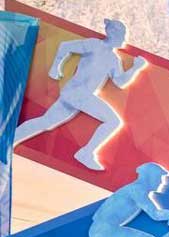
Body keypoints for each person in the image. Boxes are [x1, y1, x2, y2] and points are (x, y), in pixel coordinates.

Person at [14, 18, 147, 170]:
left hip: (79, 96)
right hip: (78, 93)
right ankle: (86, 153)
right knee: (113, 121)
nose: (125, 38)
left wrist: (135, 68)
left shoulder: (113, 59)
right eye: (123, 34)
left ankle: (9, 140)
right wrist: (56, 67)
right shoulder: (94, 44)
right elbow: (66, 46)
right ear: (113, 33)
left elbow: (120, 82)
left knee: (47, 122)